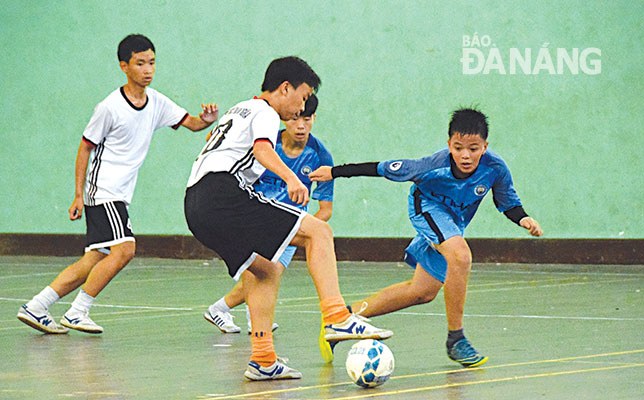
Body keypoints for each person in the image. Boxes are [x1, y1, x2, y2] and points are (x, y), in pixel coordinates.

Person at [184, 56, 392, 381]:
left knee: (265, 270)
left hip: (195, 205)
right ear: (285, 88)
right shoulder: (266, 112)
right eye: (303, 96)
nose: (302, 106)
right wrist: (292, 178)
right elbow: (264, 151)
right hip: (222, 194)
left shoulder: (239, 108)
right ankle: (337, 315)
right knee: (318, 232)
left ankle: (263, 359)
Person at [17, 34, 219, 335]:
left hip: (120, 194)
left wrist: (207, 119)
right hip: (103, 190)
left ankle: (37, 305)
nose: (148, 69)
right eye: (140, 63)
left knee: (94, 259)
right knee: (125, 249)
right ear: (124, 66)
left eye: (152, 63)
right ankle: (78, 311)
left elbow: (190, 122)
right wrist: (78, 195)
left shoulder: (157, 102)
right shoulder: (109, 107)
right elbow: (85, 147)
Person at [310, 108, 543, 367]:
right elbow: (379, 168)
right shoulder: (431, 166)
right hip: (427, 208)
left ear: (485, 146)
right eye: (458, 147)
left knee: (422, 292)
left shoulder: (495, 168)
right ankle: (456, 340)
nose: (465, 155)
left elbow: (507, 201)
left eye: (473, 149)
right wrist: (334, 172)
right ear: (449, 144)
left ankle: (342, 318)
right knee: (461, 255)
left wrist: (524, 219)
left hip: (453, 222)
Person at [203, 94, 335, 334]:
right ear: (286, 119)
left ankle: (228, 311)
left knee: (268, 273)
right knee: (263, 273)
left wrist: (304, 231)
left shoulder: (320, 157)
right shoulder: (266, 142)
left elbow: (325, 209)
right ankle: (234, 313)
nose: (301, 126)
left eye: (307, 119)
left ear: (314, 118)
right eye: (296, 119)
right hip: (255, 218)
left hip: (290, 226)